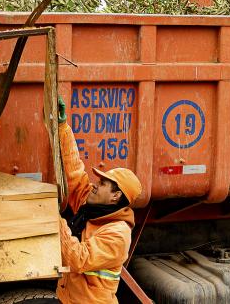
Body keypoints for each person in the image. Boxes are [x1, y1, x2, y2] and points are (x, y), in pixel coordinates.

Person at [56, 96, 142, 304]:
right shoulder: (92, 208)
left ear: (116, 195)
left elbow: (77, 258)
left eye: (103, 183)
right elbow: (74, 171)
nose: (95, 184)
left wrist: (53, 217)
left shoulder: (117, 235)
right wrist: (62, 127)